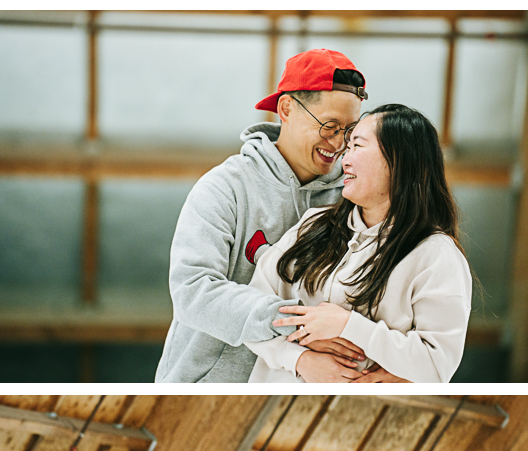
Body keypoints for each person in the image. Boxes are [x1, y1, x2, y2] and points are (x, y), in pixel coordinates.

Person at [155, 48, 371, 383]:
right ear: (286, 109)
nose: (338, 143)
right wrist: (299, 323)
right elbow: (193, 291)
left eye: (350, 131)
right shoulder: (226, 188)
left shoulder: (353, 198)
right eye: (329, 126)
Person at [243, 105, 473, 383]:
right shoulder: (312, 224)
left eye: (358, 146)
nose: (344, 160)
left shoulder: (435, 254)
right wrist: (299, 359)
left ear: (398, 160)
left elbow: (437, 364)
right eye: (347, 148)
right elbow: (252, 309)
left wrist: (349, 326)